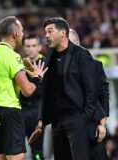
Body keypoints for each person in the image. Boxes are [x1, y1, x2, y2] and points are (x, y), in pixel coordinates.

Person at [0, 16, 47, 160]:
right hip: (10, 114)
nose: (23, 34)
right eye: (22, 31)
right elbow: (28, 90)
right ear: (15, 34)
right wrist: (38, 77)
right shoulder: (13, 56)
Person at [35, 17, 98, 160]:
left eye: (50, 31)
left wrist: (85, 118)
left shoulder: (81, 54)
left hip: (76, 118)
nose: (46, 36)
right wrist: (41, 118)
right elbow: (46, 90)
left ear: (63, 32)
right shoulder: (49, 57)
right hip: (57, 121)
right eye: (46, 32)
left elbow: (91, 89)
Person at [69, 28, 109, 160]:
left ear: (78, 42)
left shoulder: (95, 66)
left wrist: (103, 124)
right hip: (69, 127)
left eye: (70, 43)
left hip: (93, 126)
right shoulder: (57, 69)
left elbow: (103, 94)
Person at [20, 34, 44, 160]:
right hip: (21, 112)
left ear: (39, 47)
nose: (31, 49)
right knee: (17, 150)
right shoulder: (19, 65)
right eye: (28, 46)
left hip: (38, 113)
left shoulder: (46, 63)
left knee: (38, 152)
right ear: (24, 48)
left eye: (34, 45)